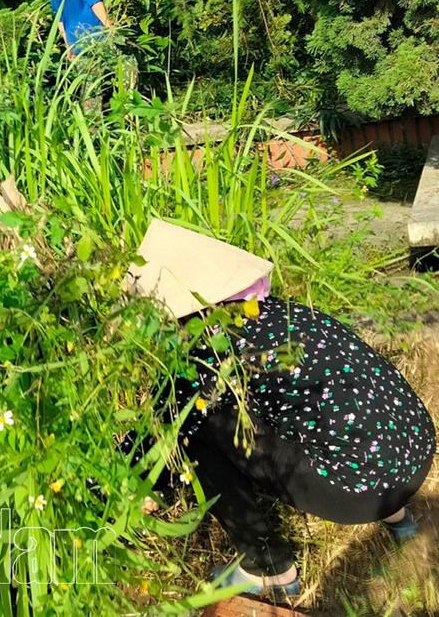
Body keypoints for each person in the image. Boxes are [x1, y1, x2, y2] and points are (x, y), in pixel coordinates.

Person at [127, 221, 435, 599]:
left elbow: (165, 435)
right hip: (415, 449)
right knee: (332, 416)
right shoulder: (279, 312)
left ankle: (267, 567)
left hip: (363, 489)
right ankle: (397, 516)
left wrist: (141, 487)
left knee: (197, 425)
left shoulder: (208, 352)